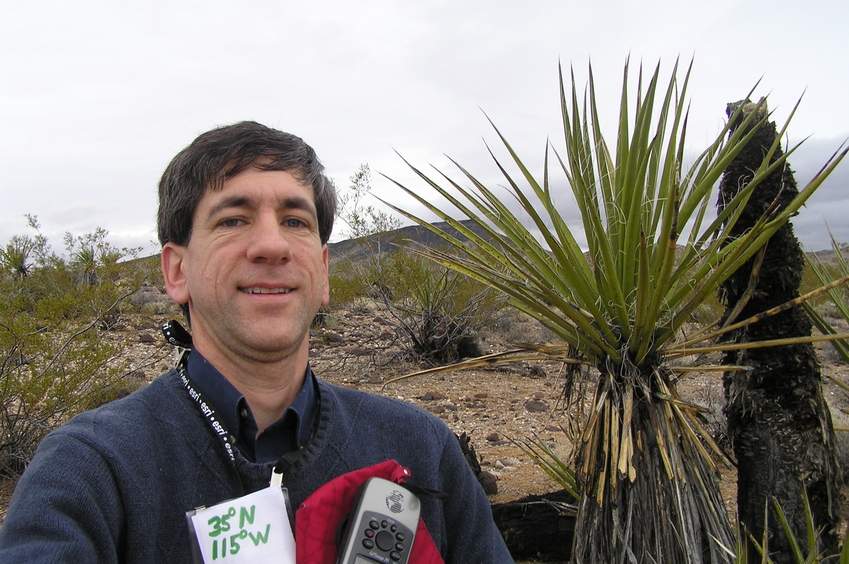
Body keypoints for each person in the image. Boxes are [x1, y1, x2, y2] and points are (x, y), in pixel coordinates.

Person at [0, 121, 513, 563]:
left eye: (295, 221)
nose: (272, 245)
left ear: (324, 272)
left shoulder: (421, 446)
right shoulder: (92, 469)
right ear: (176, 270)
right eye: (233, 219)